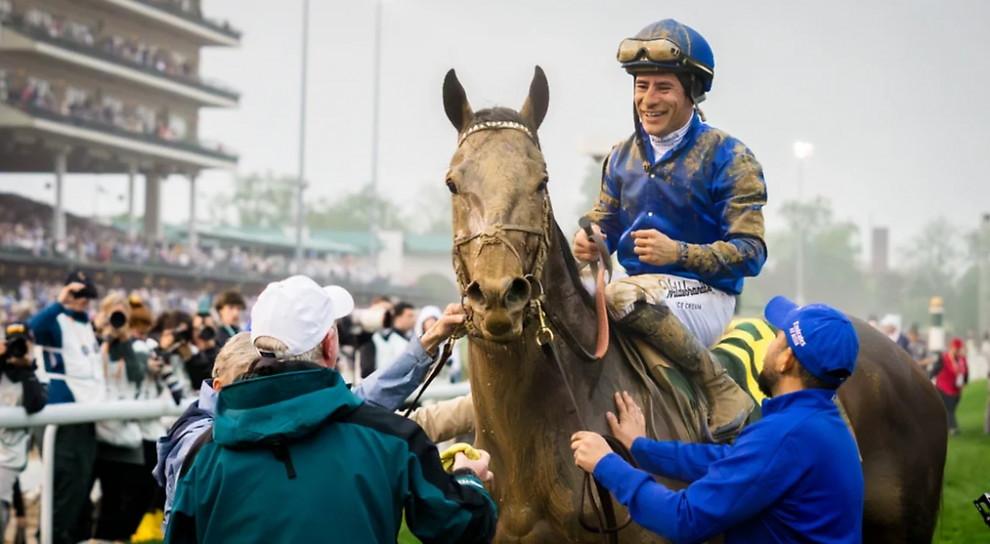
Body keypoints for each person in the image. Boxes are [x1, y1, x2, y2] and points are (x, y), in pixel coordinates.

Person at [163, 276, 496, 543]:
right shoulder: (389, 438)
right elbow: (461, 526)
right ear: (329, 343)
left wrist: (427, 343)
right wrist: (470, 480)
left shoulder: (203, 454)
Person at [577, 19, 766, 437]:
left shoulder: (730, 157)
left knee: (621, 293)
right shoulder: (619, 156)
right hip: (636, 292)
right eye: (641, 86)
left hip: (705, 295)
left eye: (662, 87)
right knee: (565, 295)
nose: (648, 99)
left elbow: (752, 252)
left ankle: (720, 388)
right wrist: (591, 239)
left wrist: (678, 253)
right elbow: (603, 220)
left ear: (691, 92)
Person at [571, 296, 863, 544]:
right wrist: (639, 448)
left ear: (786, 360)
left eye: (778, 337)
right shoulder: (824, 424)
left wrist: (606, 464)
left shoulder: (784, 435)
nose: (770, 344)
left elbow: (684, 519)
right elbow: (730, 459)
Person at [28, 270, 104, 544]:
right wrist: (60, 302)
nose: (83, 300)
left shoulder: (86, 324)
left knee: (80, 490)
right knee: (65, 488)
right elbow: (28, 332)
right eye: (77, 294)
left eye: (87, 295)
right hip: (64, 416)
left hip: (87, 414)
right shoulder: (55, 319)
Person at [0, 322, 48, 538]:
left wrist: (27, 369)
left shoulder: (37, 374)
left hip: (9, 457)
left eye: (22, 344)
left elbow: (34, 404)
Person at [415, 305, 463, 383]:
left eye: (433, 321)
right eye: (428, 322)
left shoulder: (449, 344)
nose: (431, 325)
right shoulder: (417, 347)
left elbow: (455, 366)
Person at [931, 337, 968, 435]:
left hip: (956, 389)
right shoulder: (944, 358)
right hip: (943, 387)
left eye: (959, 349)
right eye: (956, 349)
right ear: (951, 348)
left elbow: (966, 372)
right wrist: (928, 378)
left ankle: (945, 426)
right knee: (949, 408)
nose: (957, 351)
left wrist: (965, 382)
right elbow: (935, 369)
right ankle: (953, 428)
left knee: (952, 408)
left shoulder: (962, 359)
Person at [373, 301, 416, 371]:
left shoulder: (411, 338)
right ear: (398, 318)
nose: (413, 320)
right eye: (409, 316)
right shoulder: (386, 340)